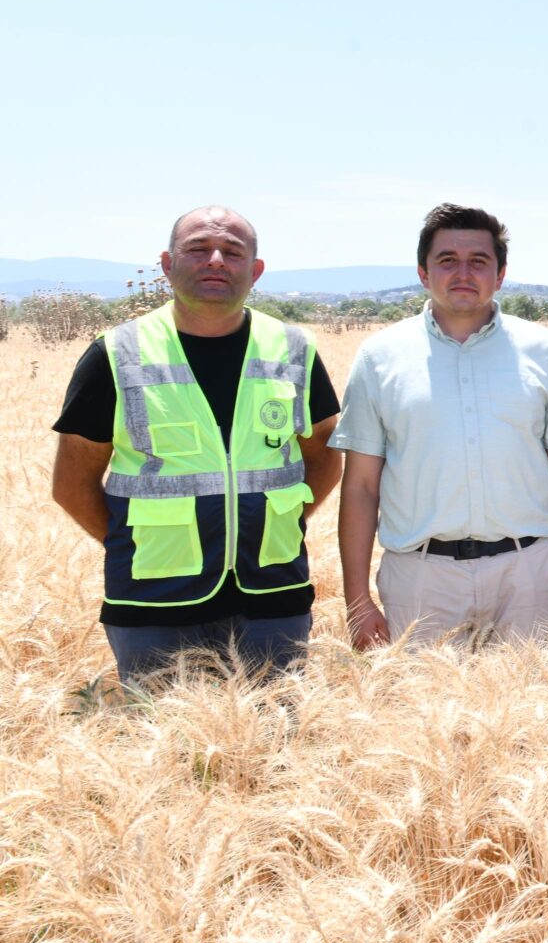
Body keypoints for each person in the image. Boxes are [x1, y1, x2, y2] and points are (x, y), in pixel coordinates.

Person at [50, 207, 342, 684]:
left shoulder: (294, 350)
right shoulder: (116, 353)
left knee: (277, 745)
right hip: (152, 603)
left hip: (273, 597)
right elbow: (71, 483)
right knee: (158, 746)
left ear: (256, 270)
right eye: (198, 249)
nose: (215, 261)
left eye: (232, 252)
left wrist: (280, 519)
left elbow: (326, 459)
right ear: (167, 264)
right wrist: (136, 539)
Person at [334, 205, 548, 650]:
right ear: (422, 272)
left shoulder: (544, 352)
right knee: (418, 715)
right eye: (447, 260)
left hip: (526, 575)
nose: (463, 273)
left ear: (501, 274)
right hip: (420, 578)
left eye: (478, 262)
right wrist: (357, 599)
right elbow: (360, 486)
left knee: (533, 714)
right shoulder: (380, 357)